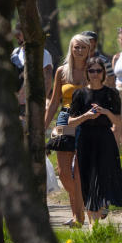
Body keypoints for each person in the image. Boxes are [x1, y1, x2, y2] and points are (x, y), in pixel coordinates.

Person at [68, 56, 122, 223]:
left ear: (103, 73)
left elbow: (118, 121)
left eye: (98, 70)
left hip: (104, 139)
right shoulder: (80, 94)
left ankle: (102, 205)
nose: (95, 74)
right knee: (88, 178)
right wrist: (87, 116)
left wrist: (105, 112)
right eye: (91, 70)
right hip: (85, 139)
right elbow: (71, 122)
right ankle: (93, 224)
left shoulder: (111, 93)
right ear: (87, 73)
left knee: (102, 175)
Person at [45, 34, 93, 227]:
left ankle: (78, 217)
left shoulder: (94, 70)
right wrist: (43, 127)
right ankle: (84, 205)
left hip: (87, 119)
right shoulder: (62, 72)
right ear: (71, 49)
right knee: (64, 173)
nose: (79, 51)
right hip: (64, 119)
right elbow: (54, 101)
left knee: (80, 172)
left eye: (83, 47)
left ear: (89, 50)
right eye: (76, 47)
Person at [11, 25, 54, 99]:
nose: (16, 37)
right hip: (15, 103)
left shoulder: (43, 54)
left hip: (34, 102)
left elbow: (48, 79)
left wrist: (42, 101)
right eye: (15, 34)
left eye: (19, 34)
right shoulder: (15, 53)